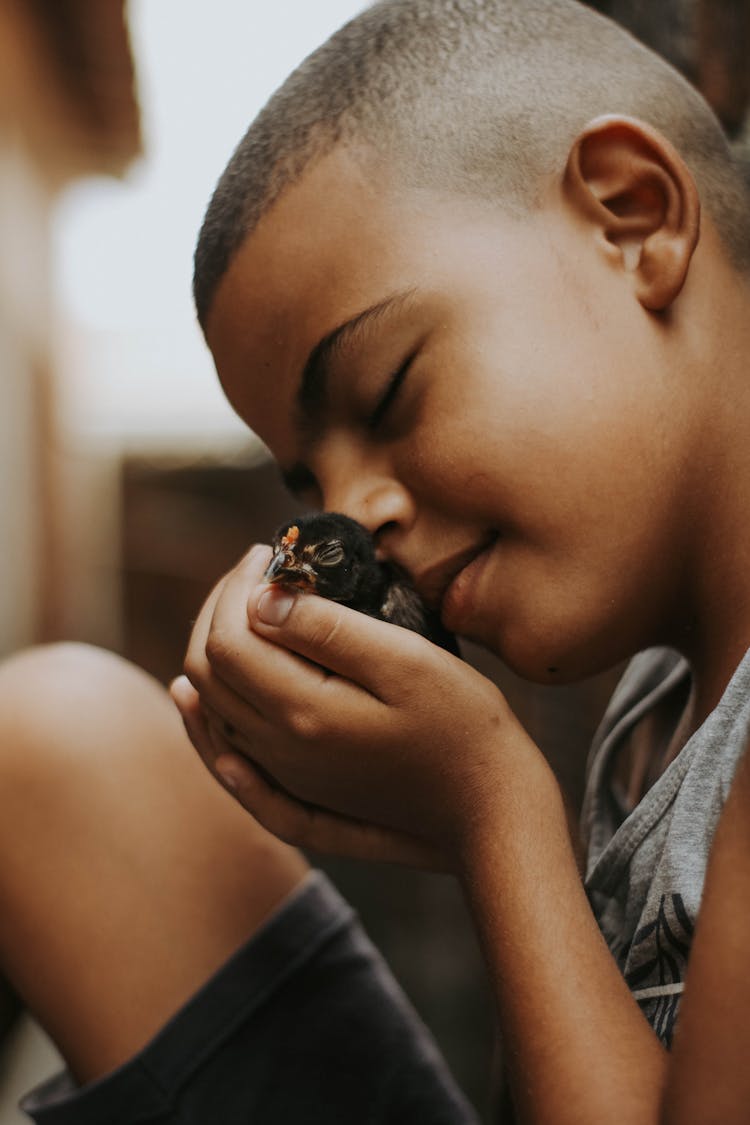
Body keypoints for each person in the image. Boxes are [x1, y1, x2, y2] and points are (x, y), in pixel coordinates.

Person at [1, 0, 749, 1120]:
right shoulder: (656, 712)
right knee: (53, 737)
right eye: (311, 485)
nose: (355, 518)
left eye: (391, 392)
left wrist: (494, 817)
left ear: (633, 217)